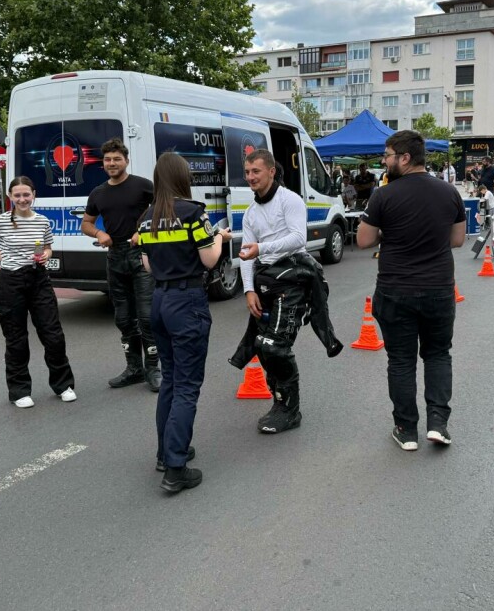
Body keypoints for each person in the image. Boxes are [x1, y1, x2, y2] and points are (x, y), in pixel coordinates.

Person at [356, 131, 466, 450]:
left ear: (405, 158)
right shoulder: (449, 192)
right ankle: (438, 424)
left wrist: (390, 233)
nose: (383, 160)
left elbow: (363, 240)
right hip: (438, 289)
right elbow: (457, 240)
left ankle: (406, 430)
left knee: (401, 361)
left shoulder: (383, 195)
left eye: (388, 155)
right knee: (437, 354)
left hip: (395, 290)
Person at [135, 153, 231, 493]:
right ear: (182, 178)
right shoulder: (194, 212)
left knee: (172, 380)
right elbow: (209, 259)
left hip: (159, 301)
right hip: (187, 302)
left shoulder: (147, 219)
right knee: (188, 386)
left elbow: (147, 266)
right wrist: (219, 237)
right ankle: (176, 467)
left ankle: (166, 451)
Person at [236, 150, 342, 435]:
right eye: (247, 172)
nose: (250, 177)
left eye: (255, 171)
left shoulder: (290, 200)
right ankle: (280, 403)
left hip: (295, 280)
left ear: (272, 171)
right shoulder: (250, 213)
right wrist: (248, 290)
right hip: (266, 282)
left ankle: (290, 411)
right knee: (262, 346)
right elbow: (247, 253)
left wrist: (263, 249)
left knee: (274, 346)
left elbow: (298, 238)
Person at [0, 176, 76, 408]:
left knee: (53, 334)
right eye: (17, 195)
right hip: (11, 282)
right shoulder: (1, 221)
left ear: (34, 195)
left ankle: (63, 385)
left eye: (26, 194)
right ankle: (19, 391)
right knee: (16, 339)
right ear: (10, 197)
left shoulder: (42, 221)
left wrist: (47, 254)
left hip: (39, 279)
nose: (22, 199)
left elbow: (48, 247)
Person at [81, 138, 160, 391]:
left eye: (117, 159)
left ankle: (154, 369)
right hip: (115, 257)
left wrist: (144, 231)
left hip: (140, 255)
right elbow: (86, 223)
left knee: (146, 317)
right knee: (124, 318)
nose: (112, 163)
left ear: (126, 160)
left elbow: (164, 207)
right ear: (102, 164)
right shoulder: (98, 193)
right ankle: (134, 369)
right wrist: (98, 234)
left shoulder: (142, 186)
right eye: (107, 159)